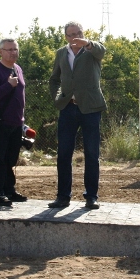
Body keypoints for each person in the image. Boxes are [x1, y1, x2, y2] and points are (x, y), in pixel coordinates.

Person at [47, 21, 107, 210]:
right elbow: (54, 79)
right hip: (68, 108)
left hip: (90, 108)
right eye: (71, 34)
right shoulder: (61, 53)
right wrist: (58, 97)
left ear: (83, 33)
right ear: (66, 37)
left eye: (78, 33)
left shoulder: (91, 50)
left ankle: (91, 197)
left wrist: (87, 43)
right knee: (64, 154)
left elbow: (102, 51)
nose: (75, 37)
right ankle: (63, 196)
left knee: (91, 153)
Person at [0, 38, 27, 206]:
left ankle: (9, 190)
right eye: (9, 50)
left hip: (16, 123)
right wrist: (8, 86)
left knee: (10, 159)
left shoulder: (18, 68)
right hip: (0, 122)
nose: (13, 52)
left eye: (15, 49)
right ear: (0, 52)